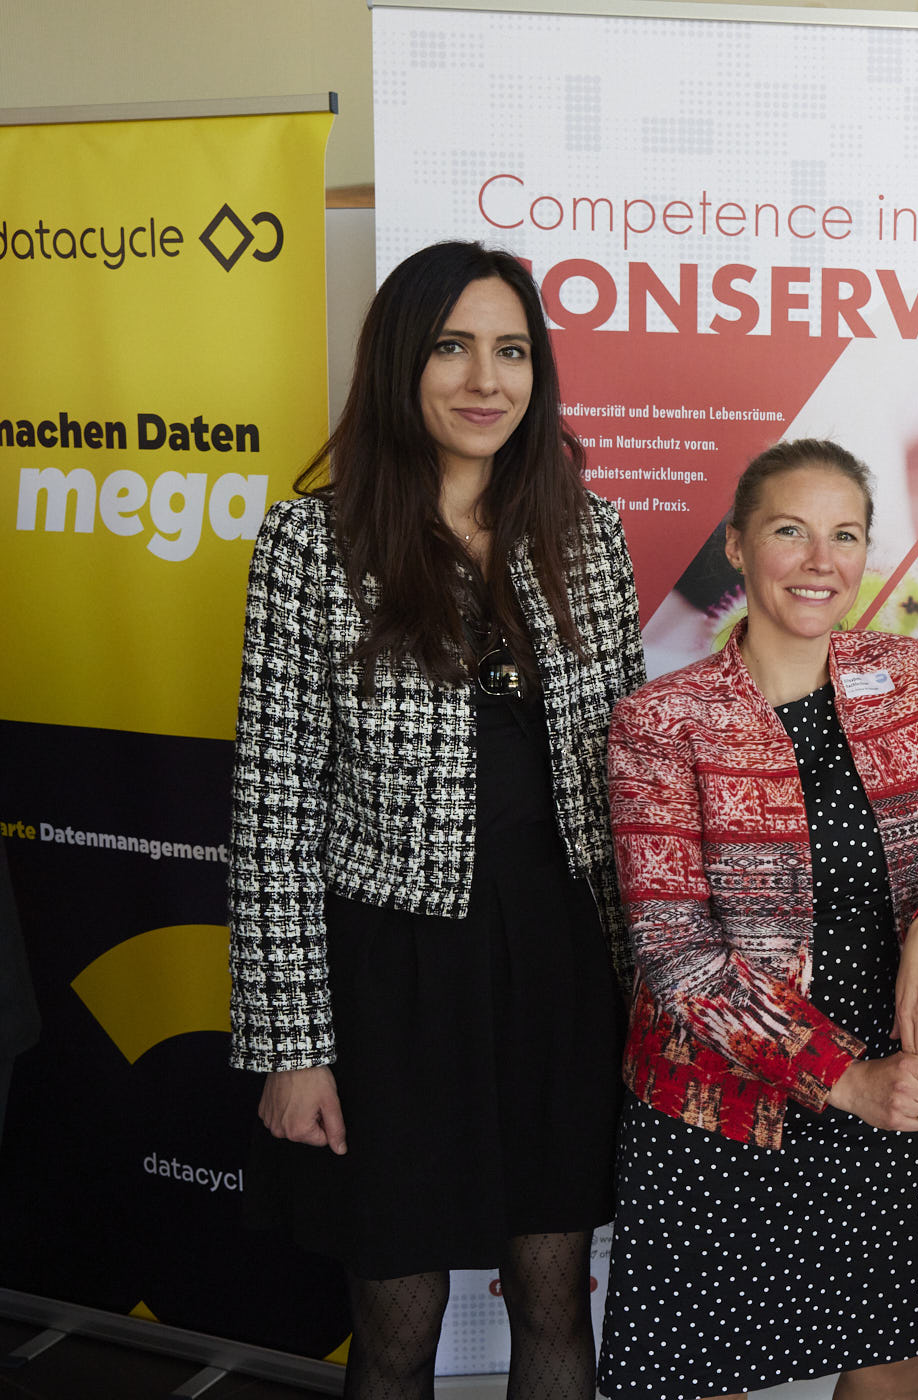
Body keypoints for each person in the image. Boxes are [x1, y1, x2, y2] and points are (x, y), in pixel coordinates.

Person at [227, 241, 645, 1400]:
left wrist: (652, 991)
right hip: (394, 981)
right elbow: (272, 812)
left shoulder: (587, 531)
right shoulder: (312, 543)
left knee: (556, 1302)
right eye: (453, 347)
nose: (484, 379)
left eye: (510, 350)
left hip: (560, 967)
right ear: (401, 362)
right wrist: (292, 1044)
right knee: (397, 1326)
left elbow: (629, 780)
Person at [597, 440, 918, 1400]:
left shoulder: (902, 674)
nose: (819, 561)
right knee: (702, 1372)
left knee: (893, 1353)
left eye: (844, 536)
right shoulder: (661, 721)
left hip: (888, 1080)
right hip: (721, 1107)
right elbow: (676, 953)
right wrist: (846, 1080)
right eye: (789, 531)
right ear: (736, 545)